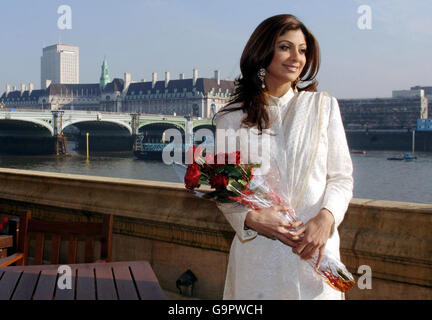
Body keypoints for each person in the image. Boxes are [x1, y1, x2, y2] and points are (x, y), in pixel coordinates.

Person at [214, 14, 354, 300]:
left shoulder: (323, 107)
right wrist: (251, 219)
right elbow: (222, 188)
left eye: (302, 50)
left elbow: (341, 178)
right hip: (259, 262)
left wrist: (326, 219)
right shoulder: (231, 118)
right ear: (263, 51)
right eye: (285, 47)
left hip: (316, 258)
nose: (296, 57)